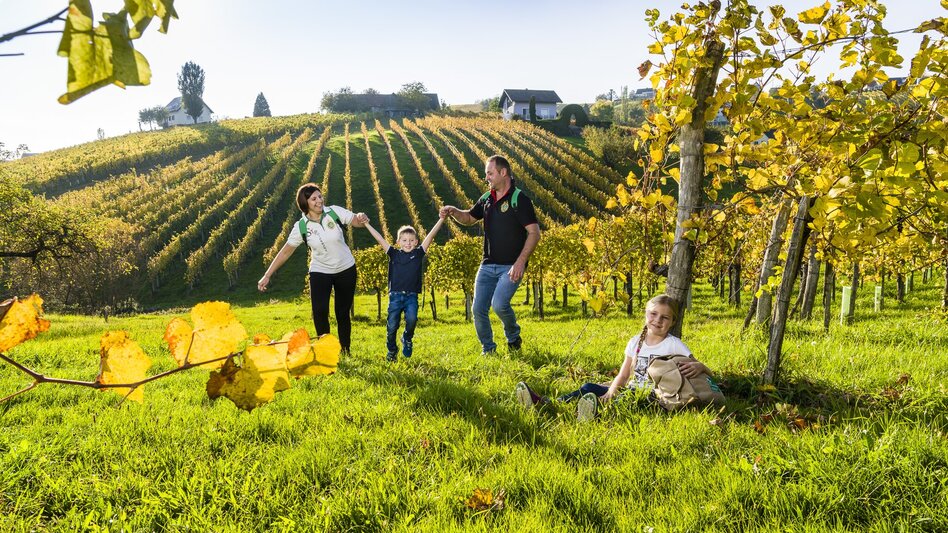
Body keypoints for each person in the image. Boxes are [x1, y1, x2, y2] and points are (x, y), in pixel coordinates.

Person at [515, 294, 713, 421]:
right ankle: (546, 403)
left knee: (623, 401)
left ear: (673, 321)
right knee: (588, 387)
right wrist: (611, 390)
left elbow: (702, 370)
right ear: (645, 315)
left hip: (653, 397)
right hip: (631, 388)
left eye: (665, 317)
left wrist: (700, 366)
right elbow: (624, 374)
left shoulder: (673, 344)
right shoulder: (636, 341)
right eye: (653, 314)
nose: (658, 320)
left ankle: (593, 415)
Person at [439, 155, 541, 355]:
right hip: (487, 265)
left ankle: (513, 336)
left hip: (510, 266)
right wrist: (453, 211)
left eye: (490, 173)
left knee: (500, 304)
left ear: (503, 173)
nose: (486, 177)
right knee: (478, 310)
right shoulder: (487, 199)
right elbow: (469, 217)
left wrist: (521, 262)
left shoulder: (519, 199)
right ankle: (489, 350)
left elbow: (534, 233)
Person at [258, 183, 367, 354]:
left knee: (342, 312)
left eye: (320, 196)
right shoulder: (301, 226)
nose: (319, 201)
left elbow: (356, 221)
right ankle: (327, 350)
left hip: (345, 269)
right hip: (320, 271)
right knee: (319, 311)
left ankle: (345, 349)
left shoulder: (334, 212)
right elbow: (285, 252)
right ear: (305, 203)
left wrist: (361, 217)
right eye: (314, 199)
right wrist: (267, 275)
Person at [363, 215, 446, 362]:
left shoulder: (418, 254)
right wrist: (367, 224)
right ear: (398, 242)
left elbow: (431, 235)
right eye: (404, 240)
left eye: (411, 240)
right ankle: (391, 351)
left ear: (416, 242)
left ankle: (407, 338)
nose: (408, 243)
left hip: (411, 296)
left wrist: (441, 219)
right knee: (392, 326)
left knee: (412, 319)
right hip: (395, 296)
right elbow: (380, 239)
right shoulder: (394, 254)